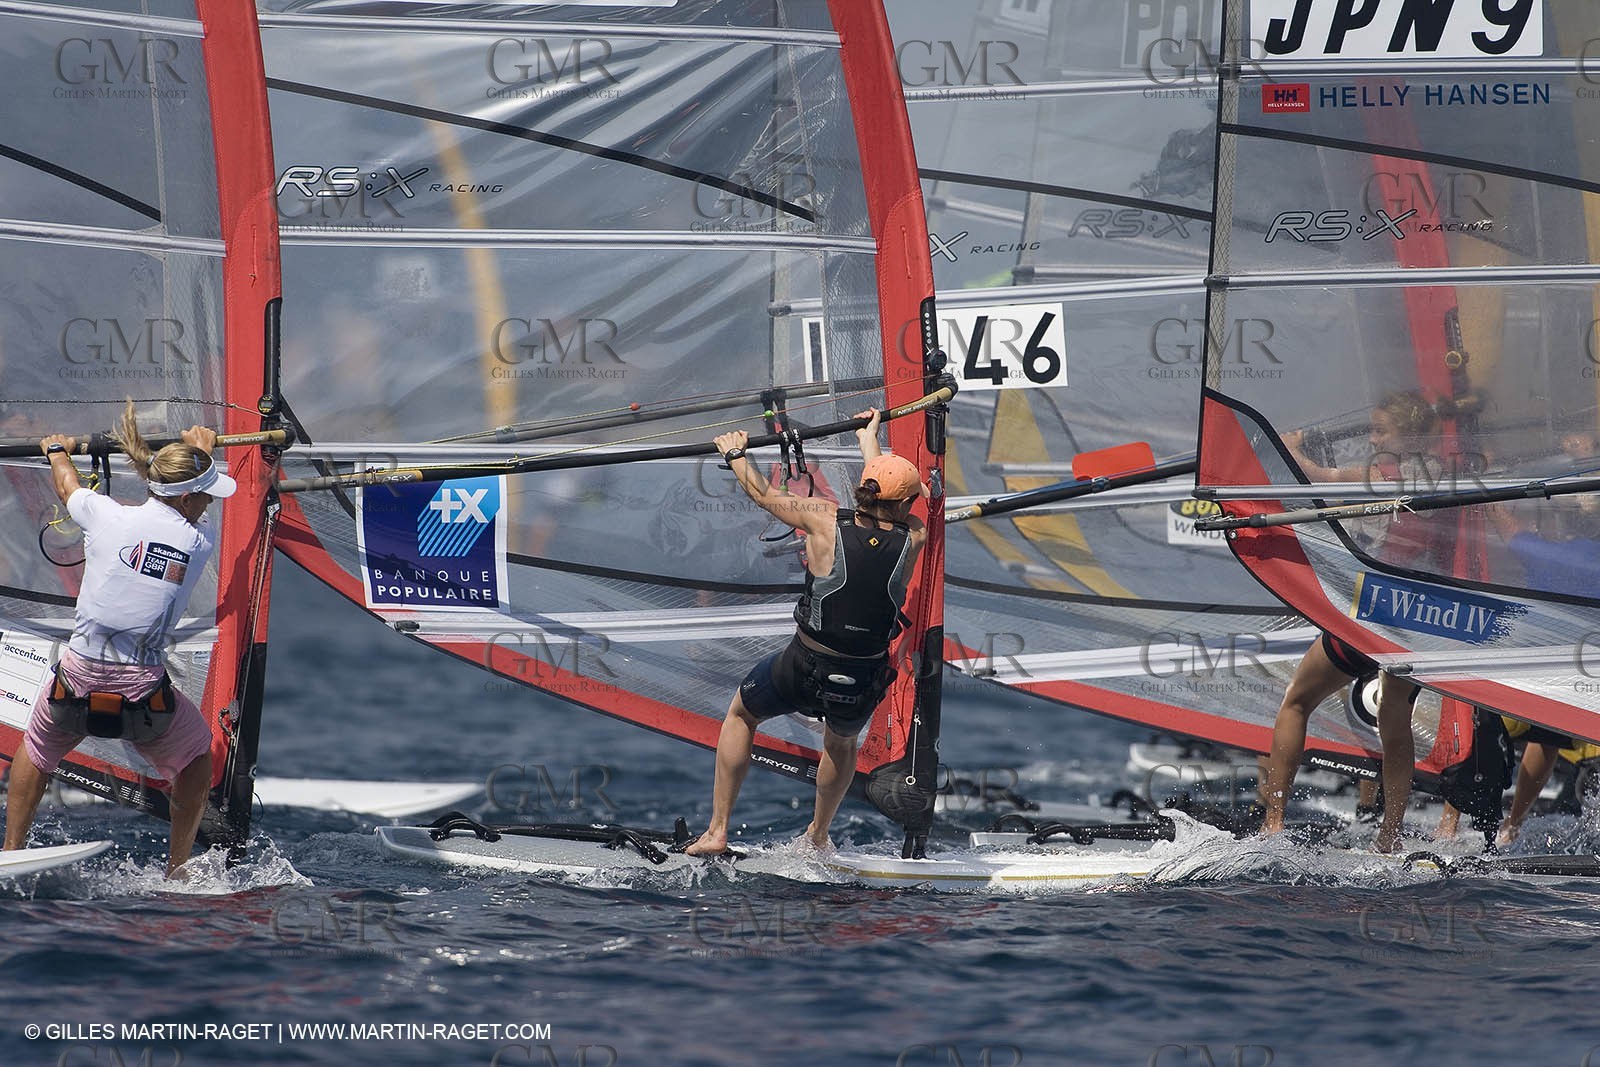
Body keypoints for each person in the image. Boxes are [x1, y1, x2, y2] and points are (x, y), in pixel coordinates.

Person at [3, 402, 235, 877]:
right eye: (206, 494)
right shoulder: (197, 542)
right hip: (144, 697)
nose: (210, 501)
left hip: (78, 682)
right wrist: (197, 449)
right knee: (196, 760)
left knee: (37, 748)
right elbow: (181, 507)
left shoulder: (105, 515)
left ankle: (10, 851)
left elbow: (68, 487)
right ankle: (176, 869)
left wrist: (56, 452)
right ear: (188, 500)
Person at [685, 408, 927, 856]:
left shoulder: (821, 519)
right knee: (841, 740)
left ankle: (718, 831)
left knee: (742, 714)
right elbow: (890, 501)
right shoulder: (915, 535)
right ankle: (818, 836)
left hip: (804, 663)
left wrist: (736, 452)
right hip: (863, 676)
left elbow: (762, 493)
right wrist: (868, 439)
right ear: (906, 504)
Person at [1262, 392, 1446, 852]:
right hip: (1419, 620)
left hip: (1372, 616)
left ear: (1410, 435)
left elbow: (1316, 477)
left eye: (1381, 430)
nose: (1372, 438)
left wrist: (1288, 446)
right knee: (1394, 721)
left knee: (1297, 701)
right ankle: (1390, 834)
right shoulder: (1447, 476)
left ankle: (1274, 821)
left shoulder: (1379, 476)